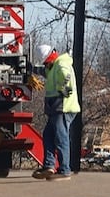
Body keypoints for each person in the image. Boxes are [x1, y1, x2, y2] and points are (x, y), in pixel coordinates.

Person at [33, 43, 79, 180]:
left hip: (63, 108)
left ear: (52, 56)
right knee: (48, 135)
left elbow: (66, 77)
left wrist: (63, 90)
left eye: (46, 62)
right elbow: (44, 71)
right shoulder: (53, 67)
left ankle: (64, 170)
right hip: (56, 109)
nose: (46, 65)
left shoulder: (61, 64)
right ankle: (49, 166)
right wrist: (30, 68)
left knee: (61, 137)